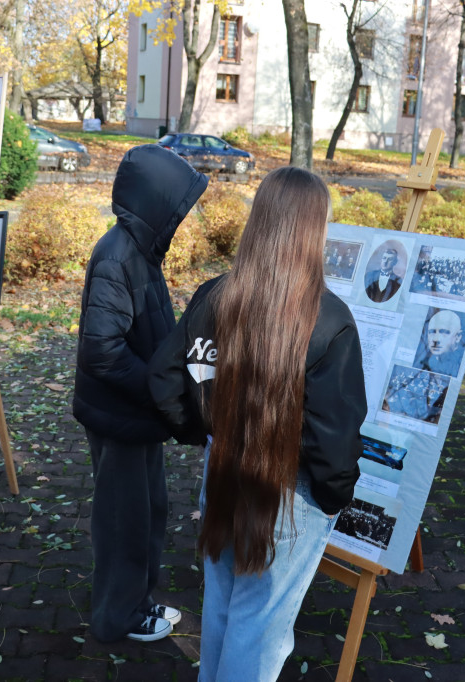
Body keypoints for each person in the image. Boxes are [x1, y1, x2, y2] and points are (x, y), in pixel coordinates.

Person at [148, 166, 367, 681]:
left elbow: (163, 379)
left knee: (224, 606)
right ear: (314, 230)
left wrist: (204, 430)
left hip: (223, 470)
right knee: (260, 629)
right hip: (289, 493)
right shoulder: (330, 322)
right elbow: (334, 438)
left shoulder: (214, 296)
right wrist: (334, 497)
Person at [72, 144, 208, 643]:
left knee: (149, 511)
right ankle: (118, 619)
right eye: (175, 206)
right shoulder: (116, 257)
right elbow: (101, 352)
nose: (181, 218)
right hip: (120, 417)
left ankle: (137, 603)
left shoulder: (140, 250)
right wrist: (159, 387)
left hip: (139, 414)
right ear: (154, 202)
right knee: (123, 524)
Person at [415, 309, 465, 377]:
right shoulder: (420, 360)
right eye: (432, 332)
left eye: (444, 332)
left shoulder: (458, 364)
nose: (436, 339)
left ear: (458, 337)